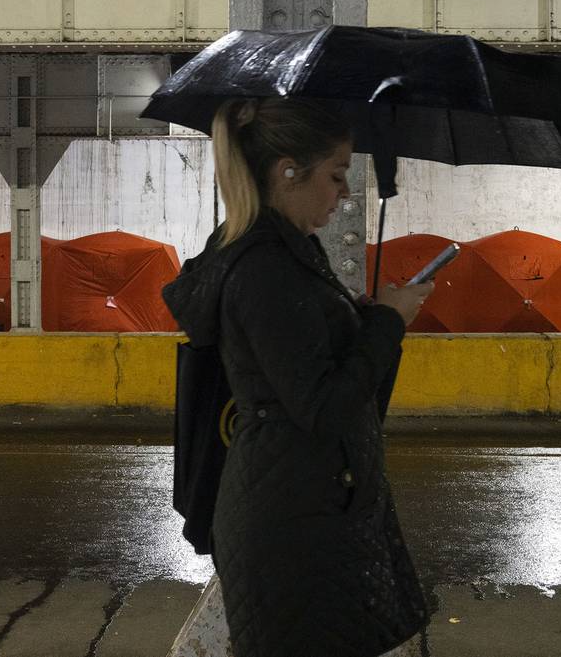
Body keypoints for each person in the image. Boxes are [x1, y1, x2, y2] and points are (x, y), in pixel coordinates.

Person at [163, 97, 434, 657]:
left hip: (303, 506)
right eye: (336, 175)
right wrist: (387, 322)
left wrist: (358, 320)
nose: (346, 193)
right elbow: (322, 405)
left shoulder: (283, 253)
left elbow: (297, 361)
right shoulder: (266, 266)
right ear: (289, 170)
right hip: (291, 521)